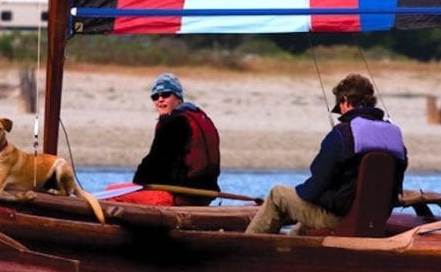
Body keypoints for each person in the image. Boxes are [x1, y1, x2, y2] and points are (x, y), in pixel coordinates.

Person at [245, 73, 407, 234]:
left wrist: (309, 197)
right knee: (307, 218)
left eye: (340, 107)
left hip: (340, 219)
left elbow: (316, 186)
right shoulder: (395, 136)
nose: (341, 114)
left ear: (345, 101)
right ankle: (293, 248)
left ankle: (245, 248)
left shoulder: (342, 134)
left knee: (277, 195)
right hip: (375, 219)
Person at [116, 72, 221, 206]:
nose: (160, 99)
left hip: (182, 197)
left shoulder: (174, 122)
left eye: (165, 95)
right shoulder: (200, 117)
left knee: (114, 193)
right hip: (206, 196)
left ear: (178, 99)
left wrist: (139, 181)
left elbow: (148, 171)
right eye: (155, 96)